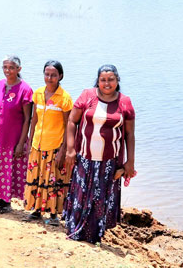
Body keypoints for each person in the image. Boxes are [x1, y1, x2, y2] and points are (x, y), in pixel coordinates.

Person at [63, 65, 136, 244]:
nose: (107, 83)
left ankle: (93, 235)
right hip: (84, 157)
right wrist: (70, 149)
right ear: (98, 81)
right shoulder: (87, 95)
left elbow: (129, 135)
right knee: (81, 194)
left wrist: (130, 162)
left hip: (109, 161)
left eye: (111, 79)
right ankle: (75, 231)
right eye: (103, 79)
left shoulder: (124, 102)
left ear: (117, 80)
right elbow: (72, 121)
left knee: (100, 198)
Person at [24, 60, 74, 225]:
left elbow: (69, 125)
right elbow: (34, 119)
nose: (49, 78)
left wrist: (64, 150)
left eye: (53, 75)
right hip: (37, 144)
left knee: (53, 180)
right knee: (37, 177)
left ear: (60, 76)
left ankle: (53, 215)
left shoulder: (65, 98)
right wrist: (30, 140)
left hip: (54, 145)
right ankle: (37, 211)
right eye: (47, 74)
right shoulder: (37, 94)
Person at [0, 55, 33, 213]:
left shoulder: (25, 89)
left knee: (9, 170)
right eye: (5, 67)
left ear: (19, 69)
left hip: (12, 139)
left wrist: (21, 143)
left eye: (11, 67)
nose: (7, 70)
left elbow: (27, 119)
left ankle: (7, 202)